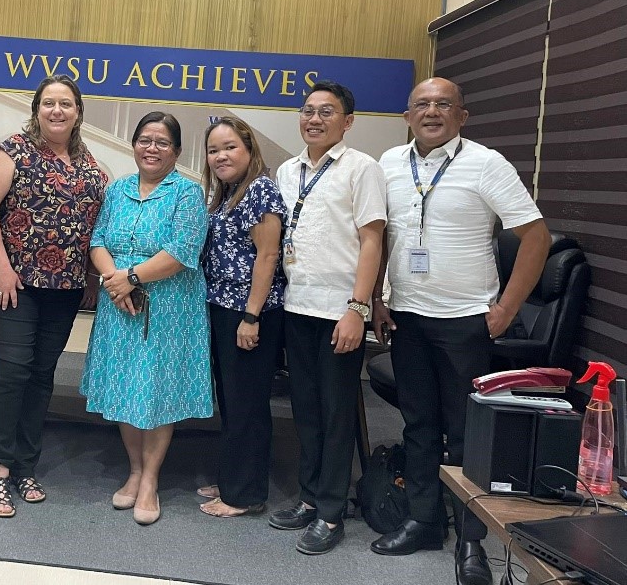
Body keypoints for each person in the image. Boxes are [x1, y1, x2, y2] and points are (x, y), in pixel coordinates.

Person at [371, 77, 550, 585]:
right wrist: (381, 298)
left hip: (467, 322)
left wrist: (507, 309)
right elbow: (382, 236)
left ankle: (472, 539)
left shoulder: (486, 163)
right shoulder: (387, 164)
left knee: (466, 434)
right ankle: (423, 520)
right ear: (407, 116)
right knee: (418, 425)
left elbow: (535, 236)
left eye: (443, 104)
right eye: (422, 104)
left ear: (462, 116)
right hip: (407, 316)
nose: (432, 112)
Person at [0, 74, 107, 518]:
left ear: (78, 112)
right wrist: (1, 268)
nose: (56, 110)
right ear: (36, 110)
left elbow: (96, 227)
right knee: (12, 370)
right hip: (17, 283)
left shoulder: (91, 165)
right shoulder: (13, 150)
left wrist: (92, 275)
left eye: (65, 104)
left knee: (42, 374)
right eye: (48, 103)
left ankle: (25, 465)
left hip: (66, 289)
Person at [269, 80, 387, 555]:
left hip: (340, 312)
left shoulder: (362, 169)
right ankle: (310, 497)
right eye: (308, 110)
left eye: (326, 112)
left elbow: (373, 241)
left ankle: (333, 512)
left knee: (338, 413)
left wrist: (358, 308)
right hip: (296, 307)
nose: (314, 119)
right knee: (307, 410)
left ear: (348, 121)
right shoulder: (286, 169)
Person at [81, 112, 212, 526]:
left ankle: (151, 479)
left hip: (168, 309)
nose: (151, 148)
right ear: (134, 145)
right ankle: (134, 470)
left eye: (162, 142)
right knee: (124, 386)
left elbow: (180, 252)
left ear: (175, 151)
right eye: (144, 139)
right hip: (119, 303)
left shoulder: (187, 193)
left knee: (155, 389)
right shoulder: (117, 189)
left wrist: (132, 277)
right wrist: (114, 280)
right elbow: (98, 239)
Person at [196, 116, 287, 518]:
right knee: (232, 402)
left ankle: (244, 495)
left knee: (247, 404)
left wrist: (250, 317)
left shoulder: (261, 191)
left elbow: (268, 256)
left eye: (230, 147)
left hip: (250, 314)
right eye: (214, 150)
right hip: (222, 308)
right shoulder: (227, 193)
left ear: (249, 149)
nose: (221, 156)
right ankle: (234, 476)